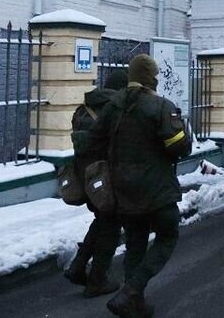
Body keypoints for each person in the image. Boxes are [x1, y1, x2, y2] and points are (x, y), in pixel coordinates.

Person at [88, 55, 193, 317]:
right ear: (150, 78)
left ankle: (134, 302)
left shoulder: (112, 106)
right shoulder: (159, 106)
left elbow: (94, 142)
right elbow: (179, 147)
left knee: (135, 242)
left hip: (123, 190)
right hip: (156, 190)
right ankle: (132, 290)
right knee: (168, 235)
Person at [63, 69, 128, 297]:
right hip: (106, 177)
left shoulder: (85, 108)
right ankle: (98, 280)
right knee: (111, 225)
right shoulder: (115, 109)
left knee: (102, 220)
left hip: (86, 176)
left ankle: (78, 266)